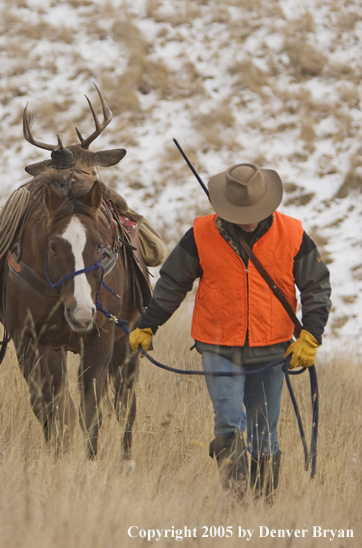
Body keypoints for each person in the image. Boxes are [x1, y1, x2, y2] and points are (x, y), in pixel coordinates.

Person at [129, 163, 331, 498]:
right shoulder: (200, 234)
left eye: (254, 210)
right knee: (227, 424)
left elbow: (316, 287)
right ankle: (237, 503)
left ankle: (262, 506)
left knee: (264, 434)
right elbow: (172, 283)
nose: (248, 217)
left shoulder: (293, 233)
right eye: (240, 211)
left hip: (272, 349)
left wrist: (311, 335)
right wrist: (149, 324)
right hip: (218, 346)